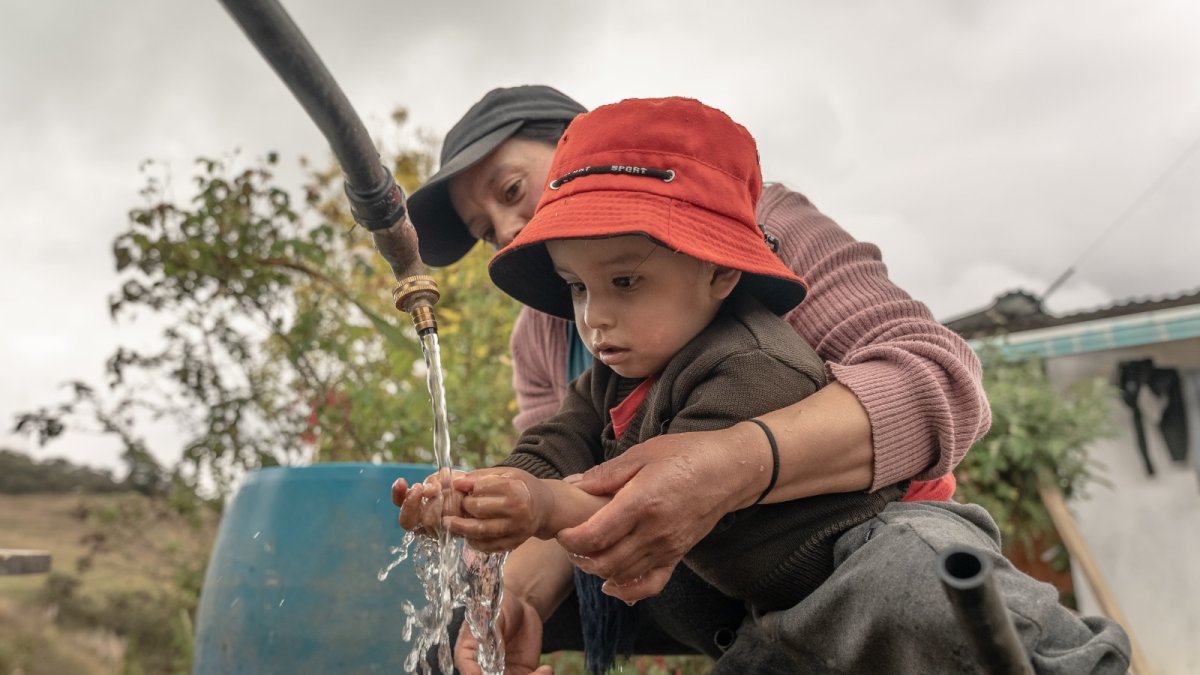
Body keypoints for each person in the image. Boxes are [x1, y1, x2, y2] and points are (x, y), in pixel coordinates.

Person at [396, 97, 1131, 674]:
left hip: (860, 537)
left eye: (513, 189)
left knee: (916, 588)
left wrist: (723, 464)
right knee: (455, 614)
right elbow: (560, 450)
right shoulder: (561, 329)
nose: (507, 226)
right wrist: (495, 524)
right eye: (487, 229)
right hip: (722, 578)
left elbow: (937, 379)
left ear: (579, 144)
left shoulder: (752, 310)